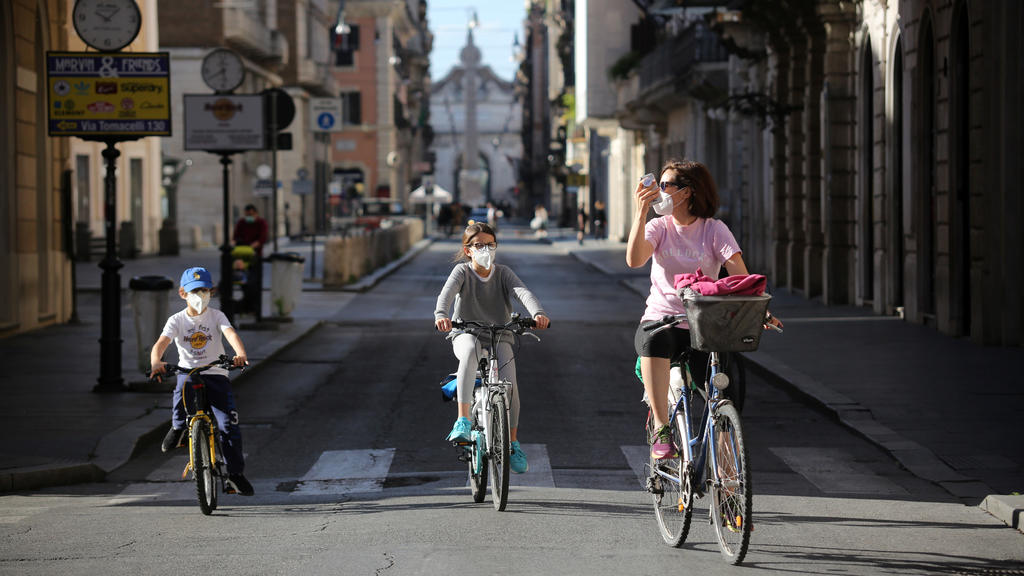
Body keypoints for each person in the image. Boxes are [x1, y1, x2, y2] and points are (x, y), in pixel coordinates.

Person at [626, 160, 782, 459]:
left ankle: (727, 473)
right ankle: (661, 428)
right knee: (652, 341)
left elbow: (740, 278)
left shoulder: (714, 229)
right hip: (663, 320)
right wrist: (640, 212)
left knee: (724, 393)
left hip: (704, 325)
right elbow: (634, 260)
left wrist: (759, 311)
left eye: (665, 185)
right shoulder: (659, 226)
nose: (659, 191)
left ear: (687, 192)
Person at [434, 222, 551, 474]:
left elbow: (523, 293)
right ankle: (463, 420)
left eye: (490, 244)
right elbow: (445, 295)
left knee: (510, 386)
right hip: (466, 332)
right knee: (469, 352)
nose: (485, 249)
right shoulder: (461, 273)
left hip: (500, 335)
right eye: (479, 245)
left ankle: (512, 443)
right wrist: (441, 315)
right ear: (468, 250)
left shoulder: (503, 273)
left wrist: (538, 313)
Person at [150, 267, 255, 496]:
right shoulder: (176, 320)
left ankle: (235, 474)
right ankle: (178, 427)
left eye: (204, 290)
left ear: (211, 292)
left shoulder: (217, 316)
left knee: (228, 425)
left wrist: (240, 354)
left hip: (215, 372)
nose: (200, 295)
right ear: (182, 293)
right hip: (188, 372)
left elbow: (230, 334)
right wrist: (156, 361)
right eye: (195, 290)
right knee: (180, 393)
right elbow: (161, 343)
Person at [233, 204, 268, 316]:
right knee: (244, 282)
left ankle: (253, 308)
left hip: (255, 256)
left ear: (255, 213)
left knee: (254, 283)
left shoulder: (261, 223)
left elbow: (262, 239)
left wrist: (252, 246)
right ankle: (247, 307)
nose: (249, 217)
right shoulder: (242, 223)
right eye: (247, 214)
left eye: (251, 214)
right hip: (242, 257)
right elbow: (235, 237)